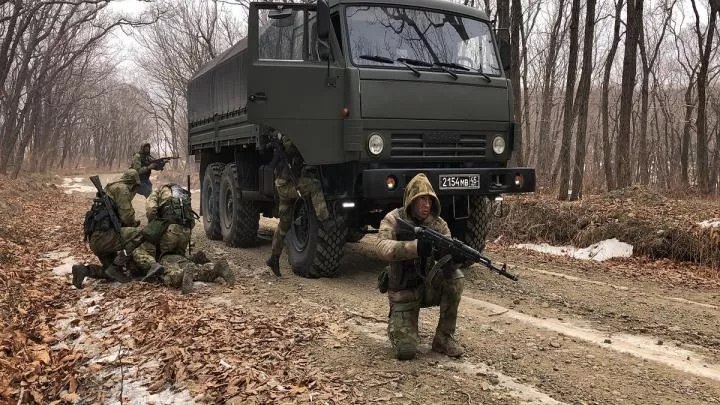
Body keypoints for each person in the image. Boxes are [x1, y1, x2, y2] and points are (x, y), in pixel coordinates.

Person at [375, 173, 465, 360]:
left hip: (428, 287)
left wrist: (454, 257)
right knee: (406, 352)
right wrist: (415, 247)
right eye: (421, 199)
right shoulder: (393, 219)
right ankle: (399, 324)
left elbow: (448, 246)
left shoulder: (438, 224)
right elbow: (381, 247)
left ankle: (444, 338)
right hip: (404, 291)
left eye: (430, 200)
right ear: (411, 200)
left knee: (456, 277)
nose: (427, 205)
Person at [132, 183, 235, 293]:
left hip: (170, 230)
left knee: (163, 261)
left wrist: (156, 227)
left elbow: (151, 210)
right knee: (178, 259)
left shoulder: (158, 191)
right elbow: (191, 220)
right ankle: (215, 269)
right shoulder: (182, 193)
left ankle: (179, 276)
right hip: (186, 231)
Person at [265, 131, 329, 277]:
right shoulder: (286, 143)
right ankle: (325, 220)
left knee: (285, 223)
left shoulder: (282, 144)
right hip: (286, 186)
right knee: (314, 186)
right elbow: (291, 148)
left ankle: (274, 258)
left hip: (284, 185)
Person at [72, 169, 148, 288]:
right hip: (104, 237)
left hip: (97, 239)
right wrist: (134, 224)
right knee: (140, 234)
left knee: (110, 274)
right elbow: (127, 216)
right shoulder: (122, 189)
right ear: (134, 183)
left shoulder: (111, 189)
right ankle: (116, 267)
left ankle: (84, 270)